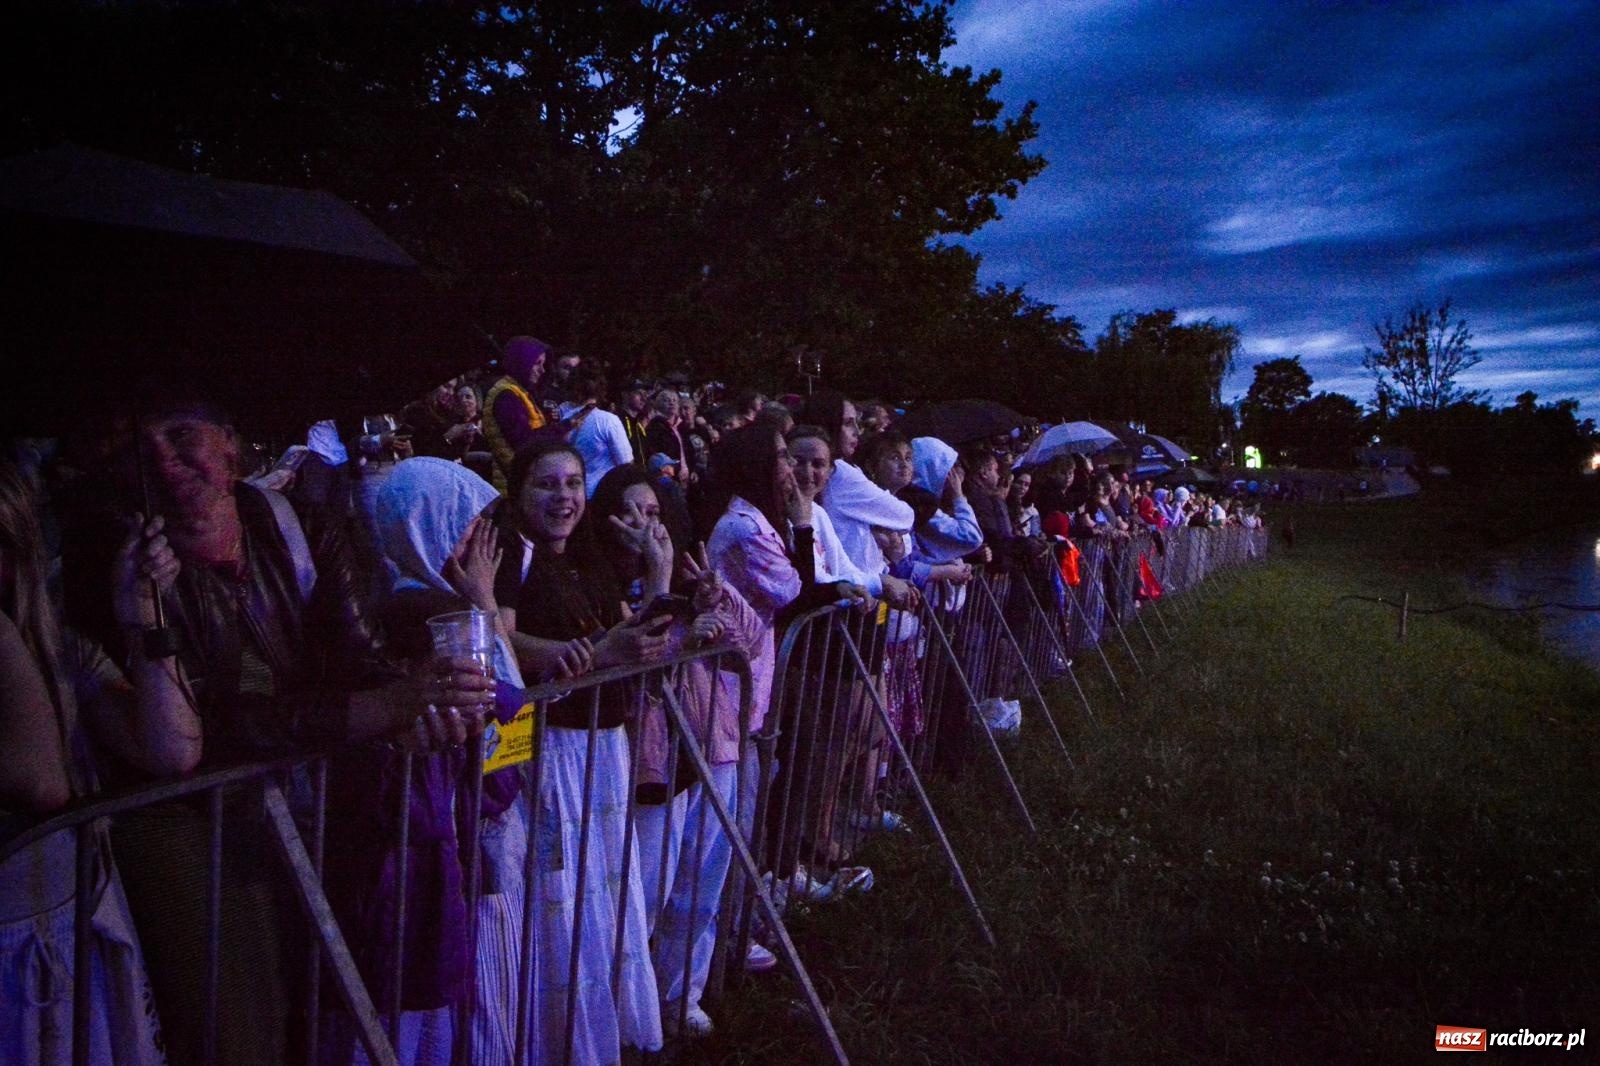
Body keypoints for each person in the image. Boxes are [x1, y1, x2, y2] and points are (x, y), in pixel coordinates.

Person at [66, 389, 494, 1066]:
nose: (165, 461)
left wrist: (414, 712)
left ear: (231, 446)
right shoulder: (114, 566)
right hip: (198, 828)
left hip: (316, 804)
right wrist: (378, 710)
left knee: (332, 994)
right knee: (243, 1017)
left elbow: (357, 656)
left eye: (182, 435)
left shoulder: (301, 525)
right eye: (143, 448)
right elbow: (203, 729)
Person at [494, 443, 665, 1063]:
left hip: (605, 745)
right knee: (562, 896)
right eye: (547, 484)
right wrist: (592, 654)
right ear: (519, 492)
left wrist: (661, 571)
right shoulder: (510, 554)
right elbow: (501, 639)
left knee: (605, 889)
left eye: (573, 483)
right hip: (553, 749)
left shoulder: (587, 557)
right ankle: (562, 1043)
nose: (563, 497)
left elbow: (630, 632)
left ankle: (608, 1029)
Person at [587, 465, 763, 1038]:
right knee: (646, 892)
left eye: (654, 512)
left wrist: (717, 598)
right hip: (653, 758)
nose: (647, 524)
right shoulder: (600, 586)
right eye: (632, 512)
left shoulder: (684, 576)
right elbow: (647, 656)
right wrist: (677, 614)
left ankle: (679, 996)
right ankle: (624, 1017)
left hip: (712, 741)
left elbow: (752, 644)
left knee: (700, 885)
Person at [0, 459, 166, 1066]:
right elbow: (43, 782)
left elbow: (166, 746)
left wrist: (144, 620)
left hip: (76, 924)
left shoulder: (62, 651)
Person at [482, 335, 552, 481]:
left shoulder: (519, 391)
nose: (542, 370)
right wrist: (565, 427)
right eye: (537, 363)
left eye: (543, 364)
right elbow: (525, 442)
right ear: (522, 362)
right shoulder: (506, 395)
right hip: (513, 483)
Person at [560, 365, 634, 496]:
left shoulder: (564, 419)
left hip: (573, 493)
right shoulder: (608, 420)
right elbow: (626, 464)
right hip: (602, 495)